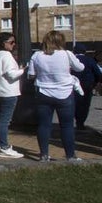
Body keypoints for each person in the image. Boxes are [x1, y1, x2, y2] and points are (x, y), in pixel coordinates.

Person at [27, 30, 84, 162]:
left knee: (44, 125)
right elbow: (80, 68)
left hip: (44, 92)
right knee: (67, 125)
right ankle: (70, 155)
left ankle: (44, 154)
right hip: (64, 92)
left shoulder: (37, 55)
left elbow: (31, 75)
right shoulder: (67, 54)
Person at [0, 32, 25, 158]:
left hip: (0, 91)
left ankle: (2, 145)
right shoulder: (6, 55)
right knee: (4, 120)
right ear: (4, 43)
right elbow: (11, 74)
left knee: (1, 120)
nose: (14, 45)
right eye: (11, 42)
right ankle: (4, 146)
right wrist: (22, 70)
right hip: (8, 91)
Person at [72, 44, 102, 130]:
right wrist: (96, 82)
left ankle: (71, 120)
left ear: (74, 51)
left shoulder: (71, 60)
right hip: (87, 85)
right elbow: (97, 73)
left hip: (73, 85)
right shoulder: (90, 60)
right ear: (84, 51)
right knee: (85, 105)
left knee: (74, 104)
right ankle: (80, 122)